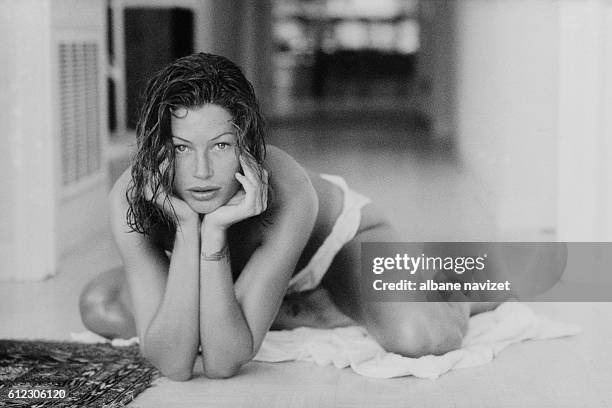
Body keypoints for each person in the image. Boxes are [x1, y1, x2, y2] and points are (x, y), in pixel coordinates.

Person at [78, 53, 527, 381]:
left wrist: (213, 238)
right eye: (180, 148)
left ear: (247, 144)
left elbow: (225, 361)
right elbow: (174, 363)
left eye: (220, 146)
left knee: (420, 336)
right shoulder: (131, 197)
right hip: (230, 267)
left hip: (329, 251)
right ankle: (292, 308)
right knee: (100, 306)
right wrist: (189, 227)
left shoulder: (289, 190)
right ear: (158, 148)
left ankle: (443, 280)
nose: (199, 172)